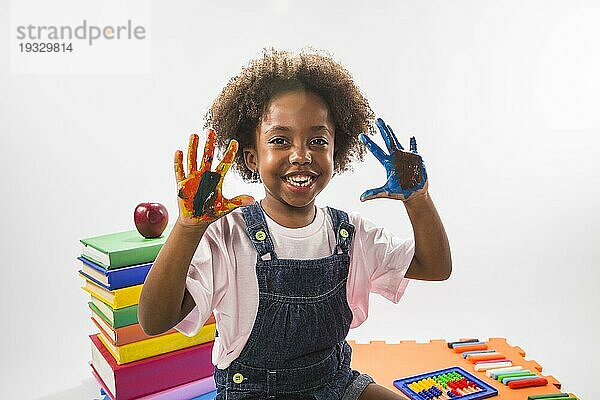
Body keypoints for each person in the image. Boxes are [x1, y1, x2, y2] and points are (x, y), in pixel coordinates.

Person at [138, 49, 452, 400]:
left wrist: (418, 198)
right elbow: (154, 319)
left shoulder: (350, 234)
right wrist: (188, 228)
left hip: (335, 384)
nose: (301, 154)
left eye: (318, 141)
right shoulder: (228, 235)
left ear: (337, 150)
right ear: (252, 157)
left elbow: (435, 267)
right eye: (280, 140)